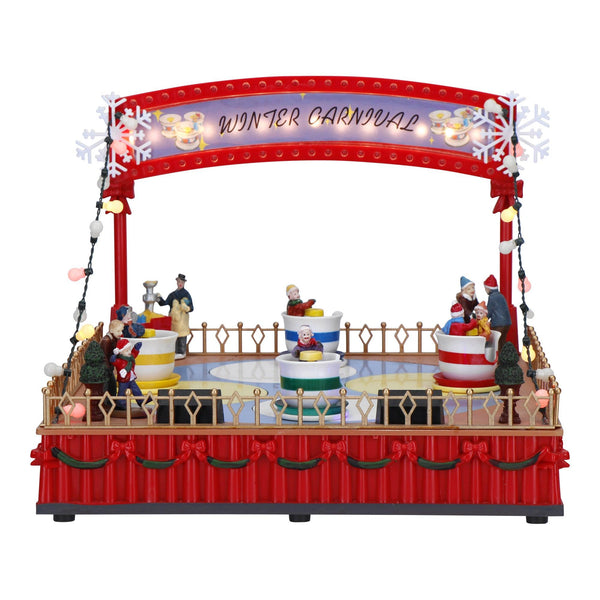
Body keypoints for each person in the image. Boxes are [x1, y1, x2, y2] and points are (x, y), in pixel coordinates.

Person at [157, 274, 194, 358]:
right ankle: (174, 351)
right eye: (179, 282)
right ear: (176, 282)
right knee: (174, 335)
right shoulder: (172, 295)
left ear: (184, 283)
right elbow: (164, 303)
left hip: (182, 319)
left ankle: (182, 352)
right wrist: (158, 298)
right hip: (173, 319)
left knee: (182, 335)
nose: (180, 283)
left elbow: (192, 307)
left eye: (182, 282)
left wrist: (187, 308)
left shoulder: (186, 294)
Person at [110, 339, 143, 409]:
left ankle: (141, 401)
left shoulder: (130, 358)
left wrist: (136, 348)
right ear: (121, 352)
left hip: (131, 378)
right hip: (123, 380)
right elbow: (114, 361)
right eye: (127, 350)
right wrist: (114, 357)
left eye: (129, 350)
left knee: (136, 390)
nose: (129, 352)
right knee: (122, 393)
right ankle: (121, 404)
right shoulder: (120, 360)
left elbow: (134, 353)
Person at [484, 274, 512, 351]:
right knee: (502, 341)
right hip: (507, 323)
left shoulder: (492, 297)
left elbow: (489, 311)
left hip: (498, 324)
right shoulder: (501, 296)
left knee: (496, 342)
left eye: (485, 288)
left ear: (488, 288)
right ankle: (504, 355)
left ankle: (498, 357)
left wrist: (484, 319)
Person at [100, 319, 125, 395]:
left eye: (121, 331)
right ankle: (106, 400)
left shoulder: (115, 339)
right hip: (104, 368)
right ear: (111, 331)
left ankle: (112, 399)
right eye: (118, 331)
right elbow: (104, 356)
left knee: (112, 386)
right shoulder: (106, 341)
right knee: (106, 386)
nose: (121, 333)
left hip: (109, 367)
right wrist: (108, 368)